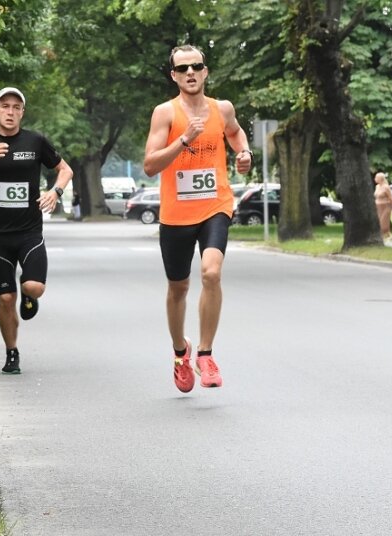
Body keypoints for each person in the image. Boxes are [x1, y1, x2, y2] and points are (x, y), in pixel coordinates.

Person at [143, 45, 252, 392]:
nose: (190, 72)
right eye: (183, 68)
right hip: (176, 214)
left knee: (211, 272)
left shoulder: (222, 109)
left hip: (214, 205)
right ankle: (181, 353)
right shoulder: (165, 113)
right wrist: (184, 139)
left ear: (205, 72)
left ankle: (205, 354)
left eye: (197, 66)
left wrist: (244, 152)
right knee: (178, 288)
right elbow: (150, 165)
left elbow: (235, 132)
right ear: (174, 76)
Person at [0, 87, 73, 374]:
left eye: (15, 107)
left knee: (33, 286)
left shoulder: (35, 141)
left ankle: (30, 296)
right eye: (4, 106)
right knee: (5, 298)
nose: (10, 112)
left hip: (29, 232)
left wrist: (56, 192)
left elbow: (66, 170)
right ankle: (11, 353)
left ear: (22, 112)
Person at [373, 171, 392, 240]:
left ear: (381, 179)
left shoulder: (386, 187)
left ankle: (382, 236)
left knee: (383, 222)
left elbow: (391, 197)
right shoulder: (377, 187)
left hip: (385, 206)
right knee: (379, 221)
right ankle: (388, 235)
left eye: (376, 177)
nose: (375, 179)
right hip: (378, 206)